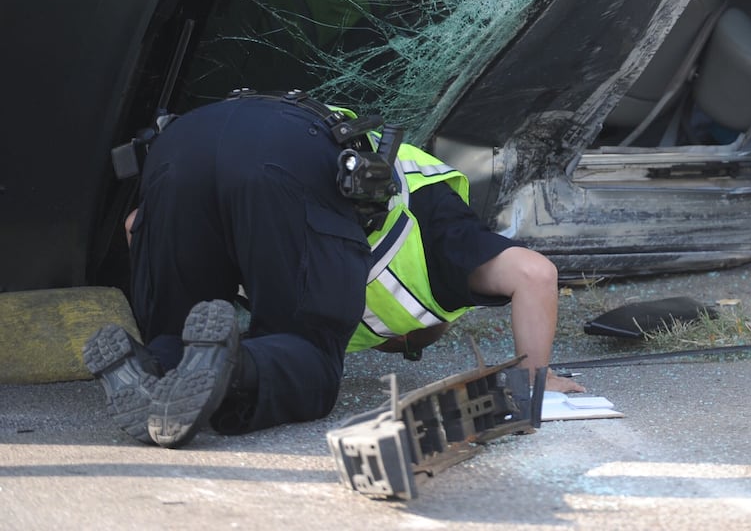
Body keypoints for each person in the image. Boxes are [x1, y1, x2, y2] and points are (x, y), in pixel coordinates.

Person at [82, 90, 583, 448]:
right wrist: (535, 378)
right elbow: (535, 273)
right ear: (421, 327)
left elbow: (134, 226)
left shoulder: (343, 270)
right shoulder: (447, 242)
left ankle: (156, 368)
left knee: (179, 329)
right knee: (310, 359)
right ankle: (230, 369)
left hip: (183, 139)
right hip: (285, 155)